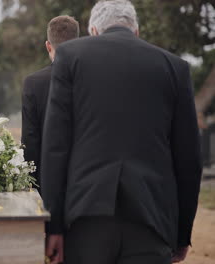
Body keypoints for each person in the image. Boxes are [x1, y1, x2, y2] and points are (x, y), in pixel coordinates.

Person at [41, 1, 202, 264]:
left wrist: (54, 226)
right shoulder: (175, 67)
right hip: (152, 221)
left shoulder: (70, 57)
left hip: (86, 218)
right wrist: (182, 233)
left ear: (93, 30)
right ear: (136, 31)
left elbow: (55, 148)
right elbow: (189, 159)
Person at [21, 15, 79, 191]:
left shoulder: (33, 83)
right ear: (78, 42)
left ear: (48, 46)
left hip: (48, 181)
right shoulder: (91, 78)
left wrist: (31, 183)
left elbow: (30, 140)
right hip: (86, 180)